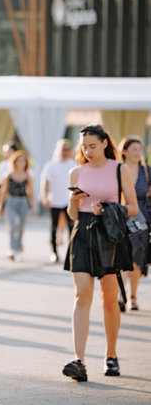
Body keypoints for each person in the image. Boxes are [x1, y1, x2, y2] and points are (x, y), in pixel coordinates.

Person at [62, 124, 137, 382]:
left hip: (109, 235)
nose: (88, 150)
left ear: (105, 143)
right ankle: (79, 360)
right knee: (82, 294)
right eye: (84, 146)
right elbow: (73, 216)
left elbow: (133, 208)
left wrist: (105, 208)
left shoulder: (119, 169)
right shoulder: (76, 172)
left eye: (92, 145)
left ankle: (111, 355)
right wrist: (74, 201)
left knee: (108, 298)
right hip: (82, 233)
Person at [118, 136, 150, 312]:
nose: (138, 153)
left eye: (140, 149)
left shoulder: (147, 172)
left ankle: (132, 296)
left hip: (143, 219)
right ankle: (122, 294)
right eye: (134, 149)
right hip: (121, 218)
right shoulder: (117, 171)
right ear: (125, 152)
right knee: (124, 258)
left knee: (136, 260)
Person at [0, 150, 36, 262]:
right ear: (15, 162)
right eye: (19, 160)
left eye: (23, 160)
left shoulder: (28, 176)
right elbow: (3, 191)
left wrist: (33, 206)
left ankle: (18, 249)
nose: (21, 162)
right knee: (12, 226)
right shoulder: (9, 175)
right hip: (11, 201)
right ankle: (12, 250)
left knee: (21, 228)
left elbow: (30, 192)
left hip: (23, 201)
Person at [40, 139, 76, 263]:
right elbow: (45, 183)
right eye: (63, 149)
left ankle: (72, 252)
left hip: (69, 202)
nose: (65, 152)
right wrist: (44, 197)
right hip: (55, 200)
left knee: (71, 228)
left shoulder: (74, 164)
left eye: (67, 149)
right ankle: (54, 251)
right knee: (54, 227)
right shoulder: (51, 165)